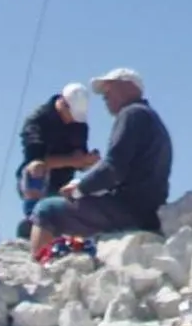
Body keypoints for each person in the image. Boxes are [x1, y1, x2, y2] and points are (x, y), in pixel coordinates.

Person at [27, 68, 172, 247]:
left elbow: (113, 169)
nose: (104, 97)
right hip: (147, 210)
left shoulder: (131, 114)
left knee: (46, 210)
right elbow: (128, 172)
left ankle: (40, 268)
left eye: (108, 89)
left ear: (128, 87)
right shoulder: (150, 118)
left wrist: (79, 189)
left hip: (128, 210)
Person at [17, 82, 98, 237]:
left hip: (63, 182)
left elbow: (79, 157)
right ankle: (32, 218)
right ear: (61, 102)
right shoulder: (38, 120)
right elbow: (36, 158)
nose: (72, 120)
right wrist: (73, 161)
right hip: (37, 182)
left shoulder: (79, 126)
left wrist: (88, 162)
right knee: (36, 168)